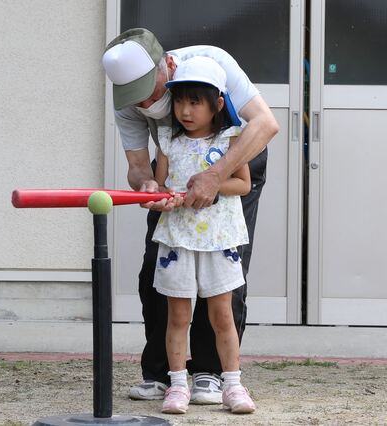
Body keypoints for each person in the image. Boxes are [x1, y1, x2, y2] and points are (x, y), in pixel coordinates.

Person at [102, 28, 278, 403]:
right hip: (175, 171)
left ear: (167, 66)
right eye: (137, 99)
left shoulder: (212, 62)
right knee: (158, 270)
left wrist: (216, 176)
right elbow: (138, 167)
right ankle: (163, 373)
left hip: (233, 159)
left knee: (222, 276)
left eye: (152, 92)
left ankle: (211, 373)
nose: (147, 103)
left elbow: (265, 124)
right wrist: (148, 185)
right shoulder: (127, 100)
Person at [152, 56, 255, 414]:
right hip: (177, 239)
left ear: (218, 104)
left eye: (195, 102)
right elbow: (160, 187)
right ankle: (177, 385)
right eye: (180, 101)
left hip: (219, 238)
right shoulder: (167, 139)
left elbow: (244, 184)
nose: (185, 110)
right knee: (178, 317)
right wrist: (159, 196)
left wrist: (212, 184)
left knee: (222, 316)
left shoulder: (231, 139)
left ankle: (233, 385)